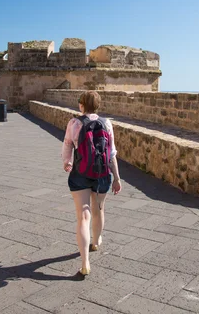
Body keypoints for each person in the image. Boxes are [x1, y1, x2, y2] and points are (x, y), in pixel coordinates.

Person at [62, 91, 122, 279]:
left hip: (80, 173)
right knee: (99, 210)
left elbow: (67, 145)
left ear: (81, 105)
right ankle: (96, 242)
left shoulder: (74, 123)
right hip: (102, 173)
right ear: (97, 105)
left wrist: (67, 161)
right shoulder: (107, 123)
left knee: (83, 217)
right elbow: (111, 153)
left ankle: (85, 263)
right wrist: (117, 178)